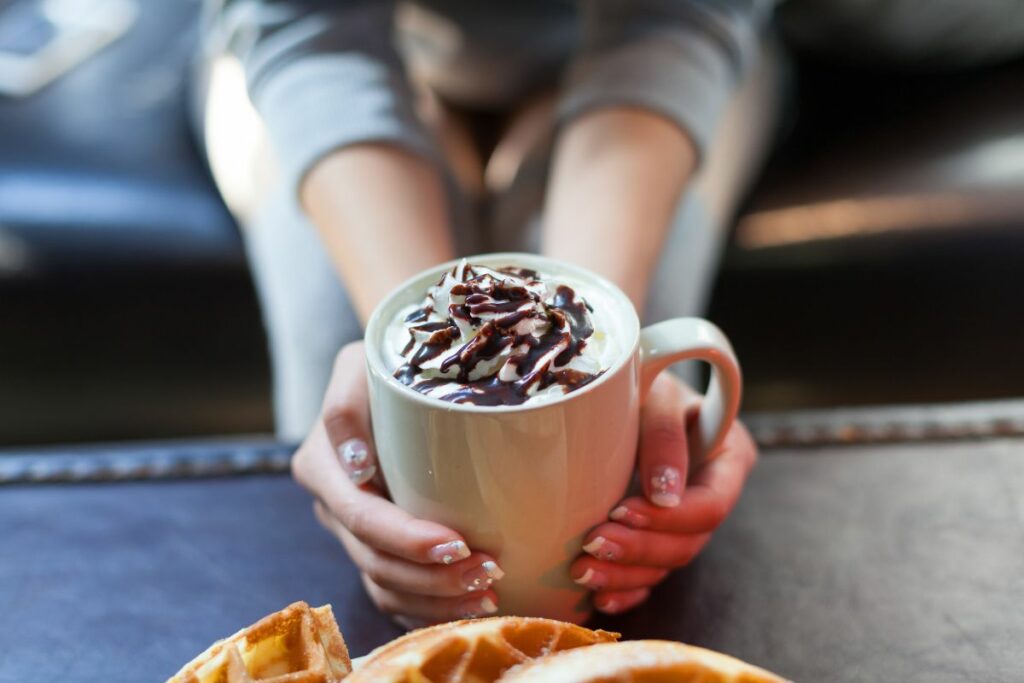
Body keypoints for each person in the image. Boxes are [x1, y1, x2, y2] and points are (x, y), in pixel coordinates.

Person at [195, 0, 779, 623]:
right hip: (314, 52)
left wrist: (605, 357)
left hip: (663, 42)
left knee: (639, 414)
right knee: (338, 387)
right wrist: (410, 359)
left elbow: (668, 20)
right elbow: (309, 31)